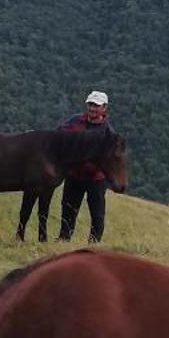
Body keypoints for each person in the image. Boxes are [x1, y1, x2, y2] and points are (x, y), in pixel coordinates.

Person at [58, 90, 112, 243]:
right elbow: (59, 135)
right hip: (74, 175)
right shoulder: (75, 121)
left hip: (96, 178)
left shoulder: (107, 132)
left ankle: (93, 244)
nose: (92, 108)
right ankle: (64, 239)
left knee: (97, 213)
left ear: (104, 108)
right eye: (90, 104)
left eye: (96, 105)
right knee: (68, 209)